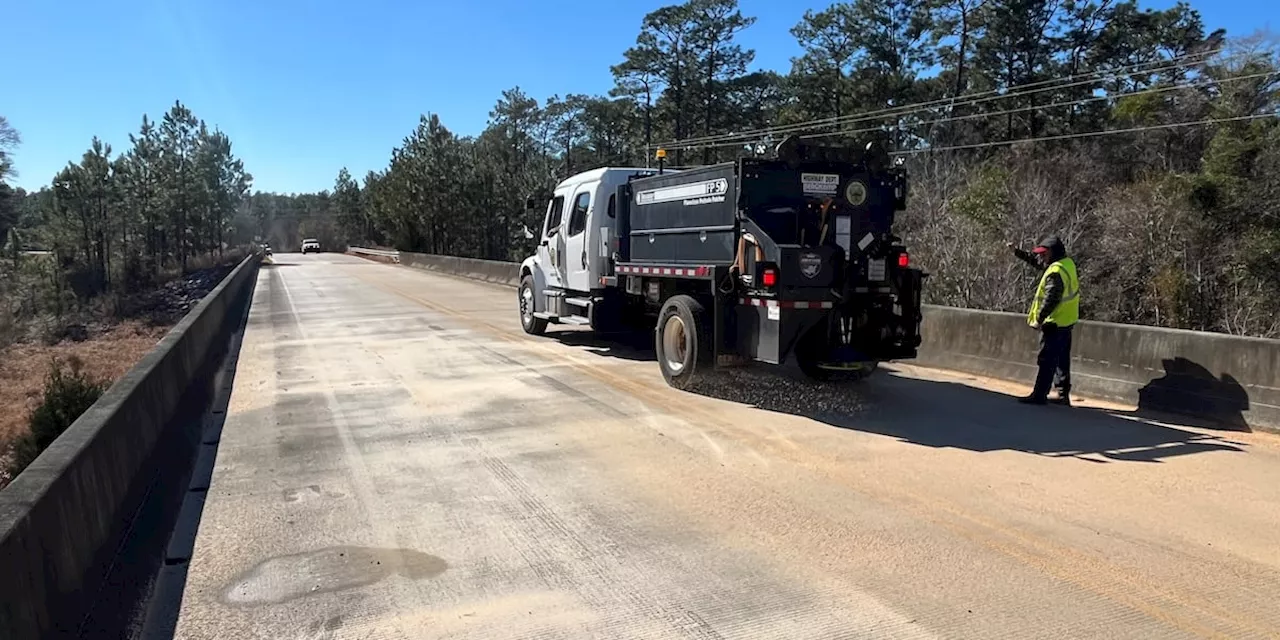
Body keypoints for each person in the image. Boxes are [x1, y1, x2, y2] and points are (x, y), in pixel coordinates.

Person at [1007, 236, 1080, 406]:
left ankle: (1039, 395)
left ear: (1053, 253)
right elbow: (1039, 264)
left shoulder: (1056, 272)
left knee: (1047, 359)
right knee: (1061, 359)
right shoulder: (1066, 264)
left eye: (1044, 254)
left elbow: (1051, 299)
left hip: (1054, 321)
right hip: (1067, 320)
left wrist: (1039, 319)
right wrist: (1017, 252)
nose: (1042, 257)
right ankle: (1062, 394)